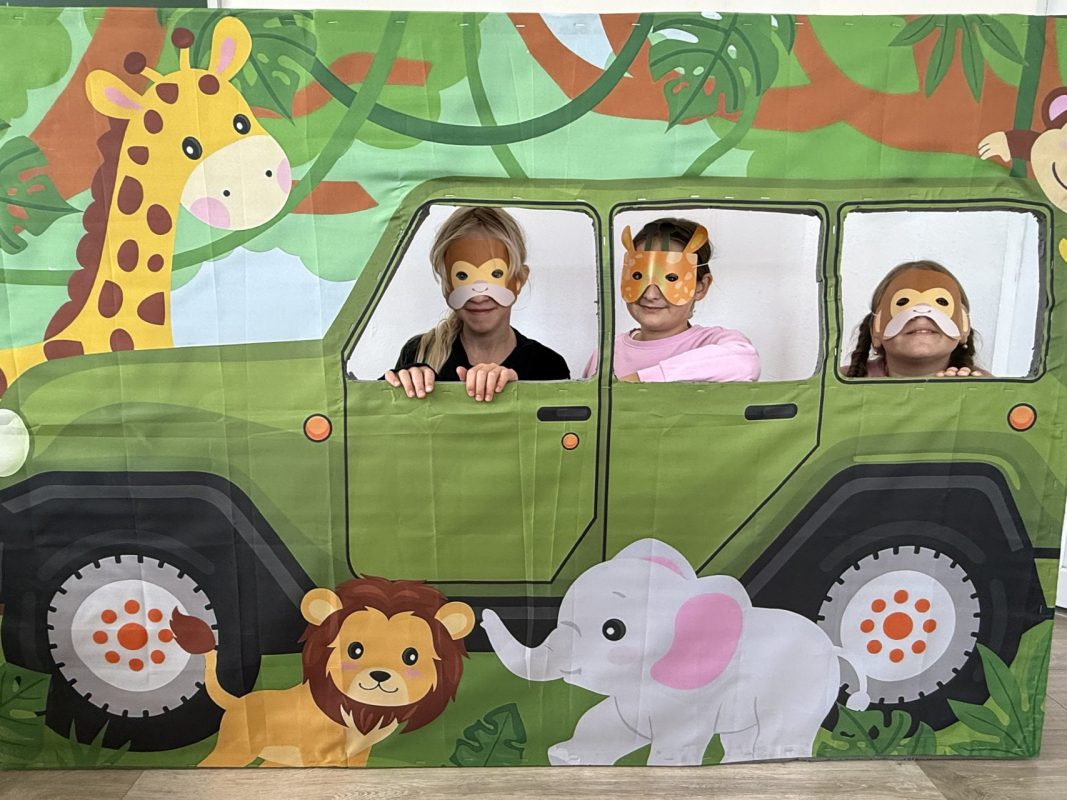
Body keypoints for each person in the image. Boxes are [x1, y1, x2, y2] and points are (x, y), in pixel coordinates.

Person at [386, 206, 570, 401]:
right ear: (447, 284)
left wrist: (521, 394)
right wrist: (399, 384)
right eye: (462, 276)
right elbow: (383, 416)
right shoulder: (419, 353)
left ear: (519, 280)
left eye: (496, 274)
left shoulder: (548, 366)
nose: (478, 297)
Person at [583, 218, 759, 382]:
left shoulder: (714, 343)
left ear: (701, 286)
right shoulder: (607, 354)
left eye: (671, 278)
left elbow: (744, 362)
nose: (650, 294)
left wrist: (639, 380)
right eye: (638, 276)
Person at [844, 260, 984, 378]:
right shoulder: (839, 386)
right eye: (902, 302)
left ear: (964, 325)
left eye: (941, 302)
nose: (921, 313)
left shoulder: (984, 388)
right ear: (877, 326)